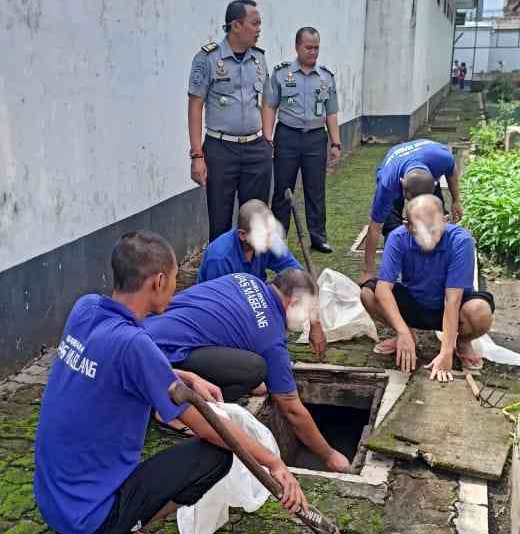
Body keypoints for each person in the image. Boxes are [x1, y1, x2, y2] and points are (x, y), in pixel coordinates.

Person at [34, 232, 306, 534]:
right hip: (89, 523)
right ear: (159, 281)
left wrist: (183, 375)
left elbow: (115, 365)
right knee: (216, 456)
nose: (177, 286)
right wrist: (273, 462)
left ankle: (113, 524)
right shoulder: (134, 345)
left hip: (53, 502)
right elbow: (209, 427)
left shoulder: (85, 309)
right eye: (176, 278)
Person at [144, 268, 351, 472]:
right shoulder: (270, 336)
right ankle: (173, 411)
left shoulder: (245, 279)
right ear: (293, 303)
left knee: (254, 377)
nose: (305, 319)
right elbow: (291, 409)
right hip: (162, 356)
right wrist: (329, 455)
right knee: (255, 370)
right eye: (306, 311)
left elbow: (229, 330)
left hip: (145, 329)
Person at [360, 195, 494, 379]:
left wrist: (446, 352)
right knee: (368, 293)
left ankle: (461, 342)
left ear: (445, 221)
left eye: (433, 229)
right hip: (414, 302)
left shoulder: (461, 241)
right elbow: (384, 288)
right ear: (408, 226)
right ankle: (406, 336)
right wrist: (402, 331)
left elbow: (452, 300)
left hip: (451, 308)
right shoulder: (397, 237)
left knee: (480, 311)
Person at [188, 0, 273, 242]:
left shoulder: (259, 58)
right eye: (254, 23)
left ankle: (252, 275)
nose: (259, 29)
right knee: (220, 221)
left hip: (256, 150)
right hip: (220, 149)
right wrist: (197, 155)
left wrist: (267, 137)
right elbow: (195, 107)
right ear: (236, 25)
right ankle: (221, 277)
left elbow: (266, 100)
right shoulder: (207, 59)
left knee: (256, 220)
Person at [197, 198, 327, 358]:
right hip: (220, 315)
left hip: (250, 299)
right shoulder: (219, 259)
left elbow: (302, 281)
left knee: (284, 301)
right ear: (243, 235)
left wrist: (315, 324)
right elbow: (219, 313)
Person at [264, 27, 342, 255]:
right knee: (282, 189)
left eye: (316, 47)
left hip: (316, 138)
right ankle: (278, 239)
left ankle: (318, 237)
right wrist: (267, 137)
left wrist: (335, 143)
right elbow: (269, 105)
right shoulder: (281, 74)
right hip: (287, 135)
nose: (313, 52)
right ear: (297, 47)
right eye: (308, 47)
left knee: (315, 189)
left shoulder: (326, 77)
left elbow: (331, 112)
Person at [361, 139, 463, 282]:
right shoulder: (387, 184)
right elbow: (374, 228)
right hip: (396, 169)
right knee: (391, 226)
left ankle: (435, 256)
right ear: (402, 185)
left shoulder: (442, 159)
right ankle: (398, 263)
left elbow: (451, 171)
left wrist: (456, 201)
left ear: (435, 183)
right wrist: (369, 270)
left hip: (427, 163)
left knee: (435, 217)